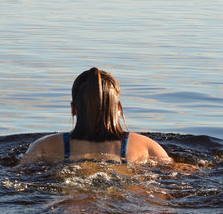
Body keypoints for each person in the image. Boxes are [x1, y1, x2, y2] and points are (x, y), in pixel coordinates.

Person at [15, 67, 171, 167]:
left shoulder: (45, 146)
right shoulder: (146, 146)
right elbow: (174, 171)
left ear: (74, 108)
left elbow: (18, 174)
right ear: (118, 108)